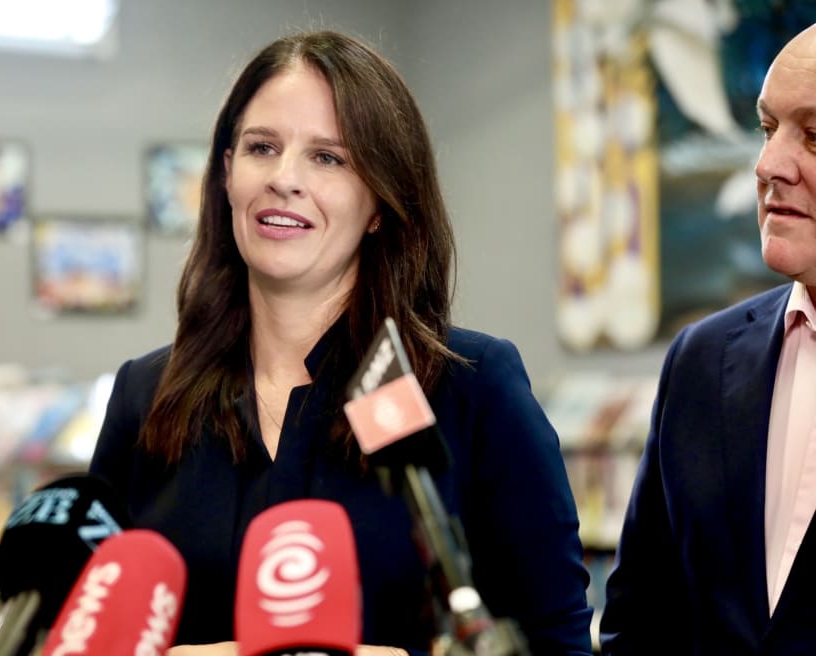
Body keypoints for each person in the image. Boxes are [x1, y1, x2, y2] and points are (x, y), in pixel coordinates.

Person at [89, 30, 592, 656]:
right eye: (262, 148)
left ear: (380, 200)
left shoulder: (472, 387)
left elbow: (557, 644)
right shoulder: (145, 395)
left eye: (328, 158)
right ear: (226, 173)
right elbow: (87, 633)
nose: (284, 178)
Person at [600, 23, 816, 656]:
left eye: (814, 136)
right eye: (767, 128)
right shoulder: (701, 359)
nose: (767, 166)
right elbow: (638, 624)